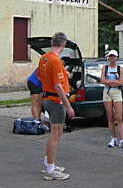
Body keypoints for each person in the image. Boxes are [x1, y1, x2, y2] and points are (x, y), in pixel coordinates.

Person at [36, 32, 75, 181]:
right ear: (63, 45)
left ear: (52, 42)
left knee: (55, 134)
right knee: (55, 135)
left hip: (47, 97)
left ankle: (48, 163)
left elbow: (39, 77)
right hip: (56, 100)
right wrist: (68, 106)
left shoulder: (44, 58)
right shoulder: (56, 61)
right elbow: (58, 86)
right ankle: (50, 170)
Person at [100, 50, 123, 149]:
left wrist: (110, 82)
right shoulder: (104, 68)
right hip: (107, 92)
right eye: (110, 56)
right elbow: (102, 81)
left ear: (116, 57)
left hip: (117, 92)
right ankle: (113, 138)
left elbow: (121, 82)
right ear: (108, 57)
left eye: (113, 56)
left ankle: (122, 139)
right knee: (110, 116)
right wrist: (113, 81)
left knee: (119, 117)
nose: (112, 58)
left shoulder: (120, 69)